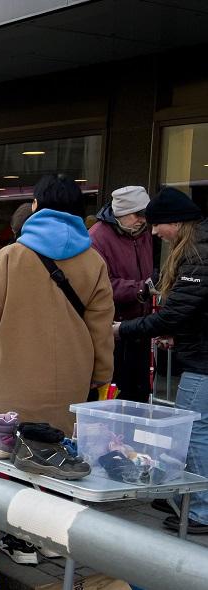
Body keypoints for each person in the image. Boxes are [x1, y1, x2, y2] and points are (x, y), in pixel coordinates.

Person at [0, 174, 114, 436]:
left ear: (35, 205)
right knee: (59, 455)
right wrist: (100, 374)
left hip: (13, 377)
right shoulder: (94, 261)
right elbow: (101, 328)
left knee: (9, 449)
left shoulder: (10, 255)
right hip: (72, 377)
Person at [116, 187, 208, 534]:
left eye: (157, 225)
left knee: (193, 427)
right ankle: (185, 495)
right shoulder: (197, 245)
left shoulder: (198, 254)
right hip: (198, 350)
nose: (154, 233)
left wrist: (122, 329)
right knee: (195, 426)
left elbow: (176, 313)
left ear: (176, 222)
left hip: (203, 361)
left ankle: (201, 510)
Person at [90, 186, 153, 402]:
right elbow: (98, 284)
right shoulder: (97, 236)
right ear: (121, 213)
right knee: (114, 397)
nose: (142, 220)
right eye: (138, 214)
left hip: (140, 327)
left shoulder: (142, 234)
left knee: (138, 396)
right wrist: (139, 289)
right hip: (112, 331)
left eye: (145, 214)